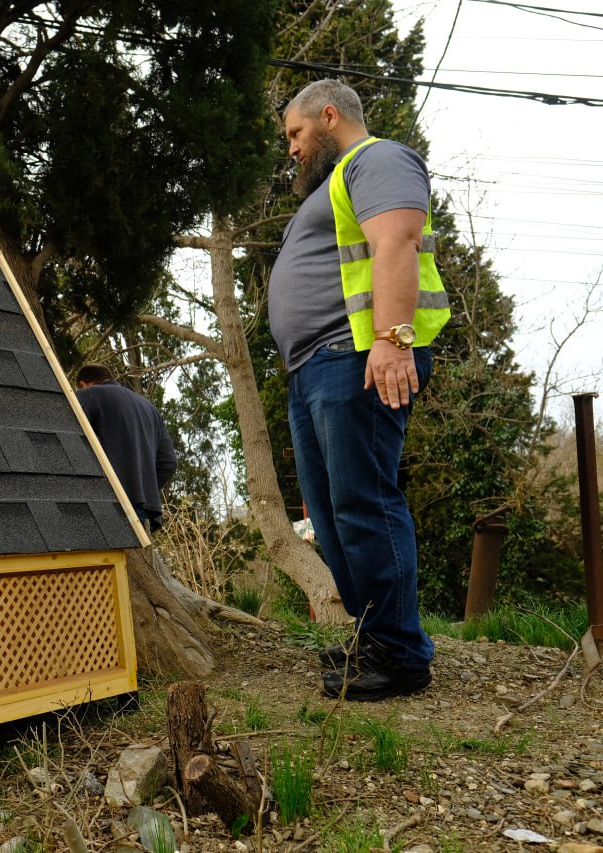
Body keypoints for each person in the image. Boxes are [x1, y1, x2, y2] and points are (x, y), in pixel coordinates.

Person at [269, 79, 450, 701]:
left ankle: (401, 657)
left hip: (357, 357)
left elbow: (396, 241)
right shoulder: (333, 185)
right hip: (317, 367)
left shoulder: (376, 159)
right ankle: (375, 638)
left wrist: (392, 340)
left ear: (327, 117)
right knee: (330, 513)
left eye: (295, 134)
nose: (290, 148)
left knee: (364, 503)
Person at [75, 363, 177, 533]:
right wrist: (143, 488)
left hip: (107, 505)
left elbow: (75, 446)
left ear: (84, 384)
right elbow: (168, 463)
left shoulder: (88, 395)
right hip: (145, 509)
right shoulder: (150, 408)